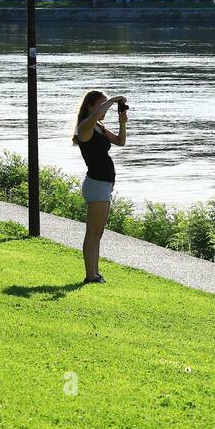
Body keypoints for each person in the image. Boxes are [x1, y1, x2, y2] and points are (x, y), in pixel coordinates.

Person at [72, 89, 127, 285]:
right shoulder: (85, 126)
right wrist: (112, 99)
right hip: (95, 184)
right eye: (101, 105)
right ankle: (90, 276)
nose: (105, 110)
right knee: (92, 234)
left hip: (104, 185)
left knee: (98, 233)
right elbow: (96, 114)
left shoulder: (99, 126)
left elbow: (121, 142)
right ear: (89, 106)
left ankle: (95, 273)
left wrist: (122, 123)